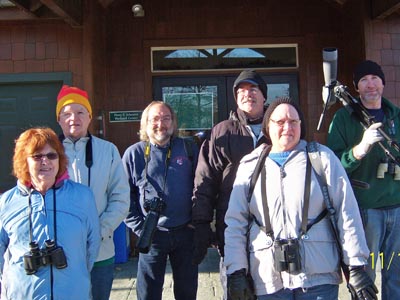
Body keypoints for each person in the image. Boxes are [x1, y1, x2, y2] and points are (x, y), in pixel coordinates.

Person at [224, 97, 378, 300]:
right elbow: (236, 222)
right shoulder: (250, 165)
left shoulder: (323, 159)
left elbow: (346, 213)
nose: (287, 127)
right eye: (280, 122)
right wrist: (236, 271)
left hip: (318, 279)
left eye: (293, 121)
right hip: (269, 279)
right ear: (267, 127)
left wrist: (357, 266)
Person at [191, 69, 270, 298]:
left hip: (272, 230)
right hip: (232, 229)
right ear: (236, 98)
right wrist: (202, 223)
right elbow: (204, 180)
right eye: (241, 91)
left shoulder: (278, 128)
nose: (248, 95)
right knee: (236, 290)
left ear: (264, 96)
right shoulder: (222, 132)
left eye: (253, 89)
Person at [327, 60, 400, 300]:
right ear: (356, 87)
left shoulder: (396, 116)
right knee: (365, 276)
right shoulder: (343, 119)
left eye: (375, 79)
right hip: (365, 212)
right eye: (364, 80)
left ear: (383, 83)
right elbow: (334, 164)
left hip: (398, 210)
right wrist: (360, 149)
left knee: (396, 273)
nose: (370, 85)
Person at [0, 127, 100, 299]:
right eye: (37, 156)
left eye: (51, 155)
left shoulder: (83, 196)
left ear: (60, 159)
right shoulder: (6, 202)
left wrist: (74, 274)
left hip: (72, 293)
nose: (45, 161)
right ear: (24, 161)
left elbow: (92, 245)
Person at [56, 85, 130, 300]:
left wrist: (97, 231)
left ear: (89, 117)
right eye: (66, 113)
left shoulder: (108, 150)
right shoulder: (48, 152)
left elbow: (120, 197)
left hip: (101, 251)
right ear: (58, 119)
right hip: (60, 253)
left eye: (80, 112)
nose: (73, 118)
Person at [122, 101, 199, 300]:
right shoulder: (134, 154)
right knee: (148, 293)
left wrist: (196, 222)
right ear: (145, 124)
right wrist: (140, 228)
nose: (161, 123)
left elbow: (202, 187)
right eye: (155, 118)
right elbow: (122, 197)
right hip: (152, 235)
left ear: (173, 123)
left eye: (166, 118)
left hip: (185, 232)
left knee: (187, 292)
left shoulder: (189, 149)